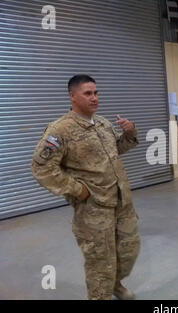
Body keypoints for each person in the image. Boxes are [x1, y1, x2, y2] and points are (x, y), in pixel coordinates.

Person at [31, 75, 140, 300]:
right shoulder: (60, 130)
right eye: (88, 93)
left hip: (121, 202)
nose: (94, 98)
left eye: (96, 93)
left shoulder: (102, 123)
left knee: (128, 250)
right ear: (72, 96)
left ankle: (115, 284)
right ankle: (102, 293)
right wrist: (76, 189)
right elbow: (41, 168)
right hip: (93, 210)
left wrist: (130, 132)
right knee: (100, 264)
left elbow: (118, 149)